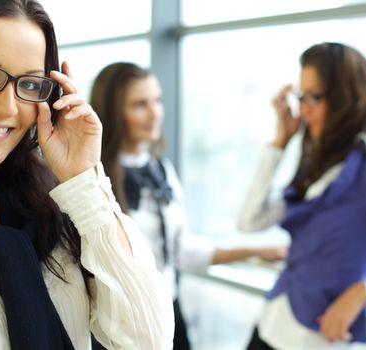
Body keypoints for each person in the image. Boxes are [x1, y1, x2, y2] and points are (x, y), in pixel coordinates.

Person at [0, 1, 174, 349]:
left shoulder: (51, 213)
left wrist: (83, 179)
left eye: (28, 84)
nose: (7, 107)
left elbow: (148, 340)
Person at [237, 42, 366, 349]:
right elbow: (249, 221)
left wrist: (363, 293)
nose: (304, 108)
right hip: (270, 324)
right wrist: (280, 142)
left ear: (347, 99)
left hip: (315, 338)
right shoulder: (324, 165)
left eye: (315, 97)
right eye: (301, 96)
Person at [89, 62, 288, 349]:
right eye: (140, 104)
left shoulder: (162, 170)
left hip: (168, 311)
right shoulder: (94, 178)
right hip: (115, 324)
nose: (155, 113)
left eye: (157, 100)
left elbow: (181, 251)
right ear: (113, 112)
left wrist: (258, 251)